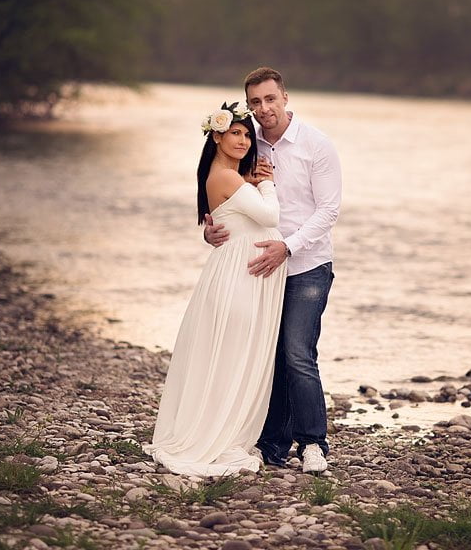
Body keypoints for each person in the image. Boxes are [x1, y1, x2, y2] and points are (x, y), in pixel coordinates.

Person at [204, 67, 341, 474]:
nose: (263, 109)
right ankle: (272, 444)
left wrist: (289, 246)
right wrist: (211, 234)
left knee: (298, 354)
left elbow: (329, 210)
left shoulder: (317, 145)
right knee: (267, 354)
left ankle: (314, 443)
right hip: (261, 268)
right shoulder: (248, 142)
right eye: (255, 103)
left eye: (270, 100)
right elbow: (227, 199)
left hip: (307, 265)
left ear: (284, 98)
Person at [144, 101, 286, 476]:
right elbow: (270, 216)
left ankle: (223, 432)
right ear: (217, 137)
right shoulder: (225, 176)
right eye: (234, 133)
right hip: (239, 277)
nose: (242, 141)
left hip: (243, 271)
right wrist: (267, 181)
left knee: (232, 356)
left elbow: (244, 218)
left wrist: (253, 186)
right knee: (230, 356)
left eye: (246, 135)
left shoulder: (233, 179)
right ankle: (214, 436)